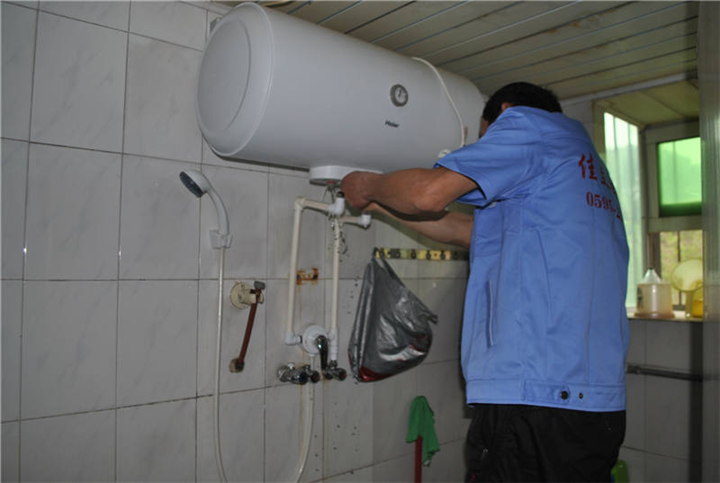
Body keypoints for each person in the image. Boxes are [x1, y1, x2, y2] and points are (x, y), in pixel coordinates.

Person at [341, 82, 628, 483]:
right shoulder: (582, 166)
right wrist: (379, 205)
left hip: (535, 394)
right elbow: (467, 232)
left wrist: (368, 185)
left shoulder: (529, 127)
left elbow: (427, 194)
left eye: (484, 137)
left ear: (506, 112)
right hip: (594, 406)